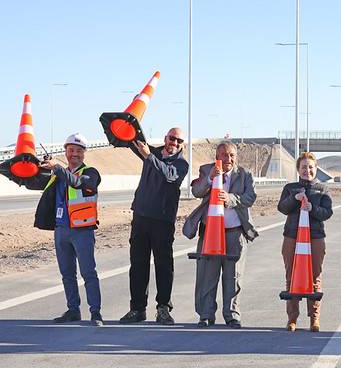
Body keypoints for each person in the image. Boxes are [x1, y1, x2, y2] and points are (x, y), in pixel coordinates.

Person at [183, 141, 258, 328]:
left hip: (235, 233)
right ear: (217, 156)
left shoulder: (245, 175)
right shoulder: (206, 169)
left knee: (233, 278)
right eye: (224, 155)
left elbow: (250, 197)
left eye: (232, 155)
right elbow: (196, 191)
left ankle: (232, 315)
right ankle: (206, 315)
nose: (228, 159)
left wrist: (231, 198)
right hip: (210, 235)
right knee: (207, 276)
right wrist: (209, 179)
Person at [119, 127, 189, 325]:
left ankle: (163, 308)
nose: (174, 143)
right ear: (165, 137)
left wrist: (149, 157)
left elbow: (169, 176)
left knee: (163, 266)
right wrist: (126, 124)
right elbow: (132, 139)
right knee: (138, 264)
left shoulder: (181, 163)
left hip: (163, 221)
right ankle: (137, 309)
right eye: (171, 138)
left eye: (178, 141)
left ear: (182, 144)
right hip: (141, 217)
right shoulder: (153, 152)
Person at [33, 133, 103, 325]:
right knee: (67, 273)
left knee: (88, 272)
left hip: (82, 231)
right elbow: (34, 182)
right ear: (65, 151)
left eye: (78, 151)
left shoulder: (91, 173)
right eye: (71, 150)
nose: (74, 154)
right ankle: (73, 310)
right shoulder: (57, 174)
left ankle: (95, 313)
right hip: (61, 230)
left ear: (84, 153)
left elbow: (78, 183)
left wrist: (57, 167)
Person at [278, 152, 333, 332]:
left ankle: (314, 318)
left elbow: (327, 212)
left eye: (310, 167)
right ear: (298, 170)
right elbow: (282, 208)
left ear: (315, 168)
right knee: (291, 276)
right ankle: (292, 318)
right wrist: (294, 199)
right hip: (292, 236)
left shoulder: (322, 189)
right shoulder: (290, 188)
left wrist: (312, 208)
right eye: (303, 167)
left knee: (315, 276)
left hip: (316, 237)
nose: (307, 170)